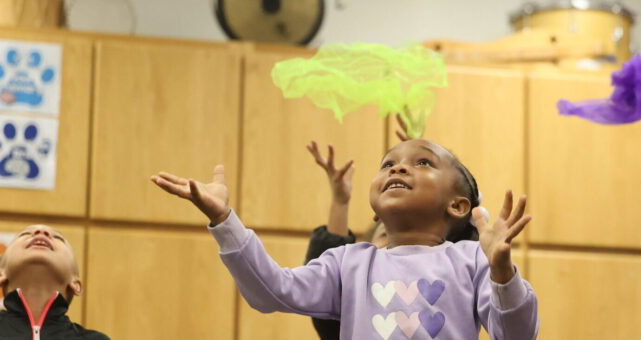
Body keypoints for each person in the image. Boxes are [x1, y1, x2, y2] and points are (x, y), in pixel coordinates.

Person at [150, 138, 539, 339]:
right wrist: (224, 220)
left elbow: (517, 336)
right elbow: (270, 292)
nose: (399, 165)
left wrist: (502, 273)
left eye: (423, 162)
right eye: (388, 163)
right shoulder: (349, 262)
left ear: (457, 206)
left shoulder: (471, 260)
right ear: (375, 209)